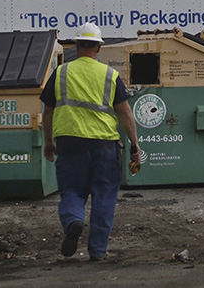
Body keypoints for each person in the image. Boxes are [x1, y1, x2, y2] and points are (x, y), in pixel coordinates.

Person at [41, 22, 141, 261]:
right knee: (104, 196)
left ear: (76, 46)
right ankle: (97, 251)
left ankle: (74, 220)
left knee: (72, 192)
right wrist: (135, 145)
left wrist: (48, 142)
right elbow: (125, 112)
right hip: (104, 145)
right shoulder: (109, 75)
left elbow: (47, 111)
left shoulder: (61, 73)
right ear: (98, 47)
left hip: (69, 143)